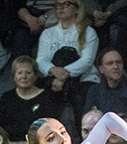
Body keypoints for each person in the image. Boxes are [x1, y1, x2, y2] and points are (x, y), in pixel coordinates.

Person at [36, 0, 100, 132]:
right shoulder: (48, 33)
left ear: (76, 8)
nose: (60, 8)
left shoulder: (88, 32)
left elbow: (86, 60)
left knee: (80, 96)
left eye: (65, 4)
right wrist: (53, 70)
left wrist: (62, 75)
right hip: (53, 80)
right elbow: (41, 59)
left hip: (83, 80)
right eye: (57, 5)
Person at [0, 56, 61, 144]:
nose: (24, 76)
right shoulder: (6, 97)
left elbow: (51, 128)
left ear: (35, 76)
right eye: (19, 73)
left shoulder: (47, 97)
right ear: (14, 77)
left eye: (28, 73)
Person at [84, 48, 127, 116]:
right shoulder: (94, 91)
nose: (116, 67)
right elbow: (89, 117)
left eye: (119, 62)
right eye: (110, 64)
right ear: (101, 69)